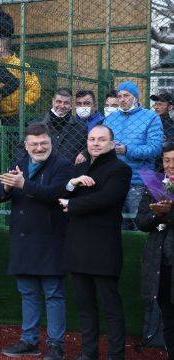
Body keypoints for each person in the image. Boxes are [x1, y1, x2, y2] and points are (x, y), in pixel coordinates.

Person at [0, 123, 72, 360]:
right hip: (22, 240)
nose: (39, 147)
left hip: (50, 240)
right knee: (27, 292)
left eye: (43, 143)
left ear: (50, 143)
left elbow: (55, 194)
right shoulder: (17, 164)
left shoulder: (63, 166)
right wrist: (6, 186)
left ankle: (55, 345)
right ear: (26, 145)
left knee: (53, 293)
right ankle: (29, 341)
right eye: (34, 144)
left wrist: (23, 184)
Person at [56, 124, 132, 360]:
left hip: (103, 248)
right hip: (77, 247)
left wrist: (72, 205)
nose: (95, 143)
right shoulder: (77, 168)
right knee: (85, 307)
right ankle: (88, 354)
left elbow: (107, 199)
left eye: (101, 139)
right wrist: (74, 183)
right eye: (91, 139)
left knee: (111, 308)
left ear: (111, 143)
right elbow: (60, 193)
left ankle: (116, 356)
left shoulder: (121, 169)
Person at [104, 81, 163, 230]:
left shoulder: (151, 117)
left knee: (140, 224)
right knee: (117, 225)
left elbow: (155, 148)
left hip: (139, 180)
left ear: (135, 97)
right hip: (114, 179)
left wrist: (127, 150)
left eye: (126, 95)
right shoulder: (111, 119)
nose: (122, 99)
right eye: (119, 96)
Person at [136, 143, 174, 359]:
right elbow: (142, 221)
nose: (170, 166)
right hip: (161, 262)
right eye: (167, 160)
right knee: (167, 315)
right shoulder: (156, 184)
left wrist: (169, 213)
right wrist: (157, 214)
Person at [0, 37, 41, 125]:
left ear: (2, 48)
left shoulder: (20, 65)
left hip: (14, 114)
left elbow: (35, 87)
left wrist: (23, 102)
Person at [31, 88, 86, 163]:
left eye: (66, 103)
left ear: (71, 105)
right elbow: (23, 147)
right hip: (41, 169)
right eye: (59, 102)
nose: (62, 106)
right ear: (53, 101)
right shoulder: (36, 124)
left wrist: (84, 153)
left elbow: (86, 147)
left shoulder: (81, 127)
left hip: (69, 171)